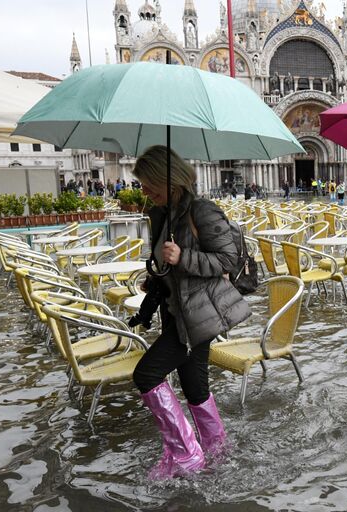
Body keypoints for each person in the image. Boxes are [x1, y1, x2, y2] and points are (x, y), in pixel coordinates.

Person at [130, 145, 251, 479]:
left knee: (146, 374)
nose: (143, 190)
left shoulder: (202, 211)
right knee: (193, 383)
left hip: (199, 313)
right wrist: (156, 278)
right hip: (176, 311)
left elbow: (227, 261)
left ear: (166, 179)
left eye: (147, 182)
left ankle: (185, 455)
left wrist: (182, 257)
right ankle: (215, 447)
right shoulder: (162, 214)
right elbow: (167, 266)